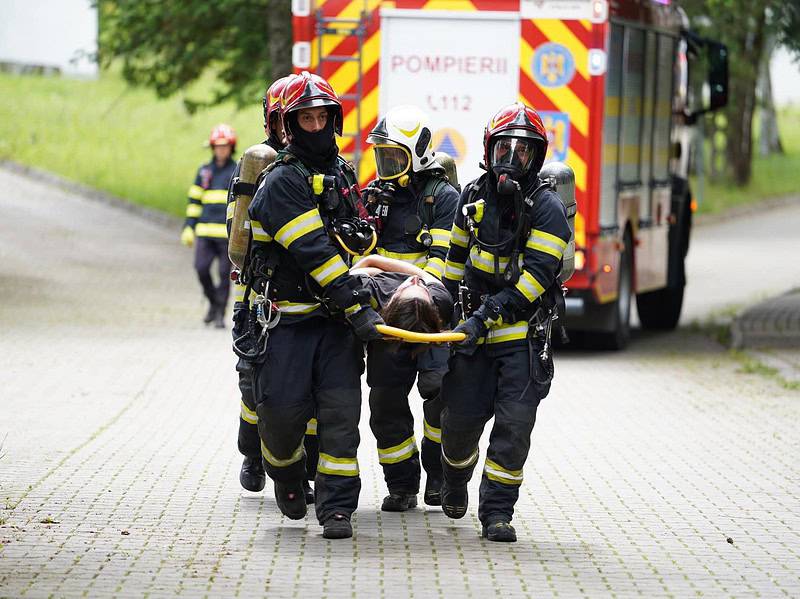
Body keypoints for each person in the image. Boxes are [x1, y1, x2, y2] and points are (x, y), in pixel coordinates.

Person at [245, 71, 382, 539]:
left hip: (333, 326)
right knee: (281, 420)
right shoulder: (282, 181)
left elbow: (359, 231)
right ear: (287, 125)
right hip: (287, 323)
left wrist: (363, 232)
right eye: (306, 118)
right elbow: (315, 254)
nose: (317, 126)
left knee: (341, 416)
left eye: (323, 116)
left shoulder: (341, 173)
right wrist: (358, 307)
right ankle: (285, 474)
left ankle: (337, 508)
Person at [439, 102, 571, 542]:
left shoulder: (548, 209)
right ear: (488, 149)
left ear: (536, 157)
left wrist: (485, 315)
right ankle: (455, 479)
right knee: (457, 427)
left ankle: (497, 513)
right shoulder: (471, 195)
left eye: (522, 151)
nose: (510, 160)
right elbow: (453, 264)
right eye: (503, 149)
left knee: (513, 429)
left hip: (521, 338)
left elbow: (535, 279)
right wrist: (444, 318)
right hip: (472, 340)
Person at [361, 106, 459, 512]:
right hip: (388, 318)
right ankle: (401, 486)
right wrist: (367, 216)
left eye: (394, 156)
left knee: (439, 394)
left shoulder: (443, 197)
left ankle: (437, 477)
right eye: (381, 155)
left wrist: (408, 289)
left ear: (416, 155)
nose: (385, 165)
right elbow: (359, 256)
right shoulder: (375, 194)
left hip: (431, 315)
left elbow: (443, 262)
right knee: (385, 400)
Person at [226, 75, 319, 502]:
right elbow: (237, 237)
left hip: (311, 297)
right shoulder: (256, 170)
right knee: (254, 387)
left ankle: (302, 474)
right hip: (261, 298)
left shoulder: (325, 166)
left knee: (314, 393)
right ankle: (252, 454)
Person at [182, 124, 237, 328]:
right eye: (217, 146)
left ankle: (220, 315)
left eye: (225, 146)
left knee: (224, 275)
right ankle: (214, 303)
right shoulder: (204, 171)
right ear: (212, 147)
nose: (221, 150)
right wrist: (189, 227)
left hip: (225, 236)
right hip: (204, 232)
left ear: (231, 147)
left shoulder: (236, 171)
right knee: (201, 269)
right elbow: (194, 201)